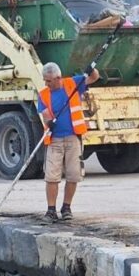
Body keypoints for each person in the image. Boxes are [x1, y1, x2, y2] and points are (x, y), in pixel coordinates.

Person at [37, 62, 100, 222]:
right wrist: (49, 122)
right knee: (51, 176)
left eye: (48, 81)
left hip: (73, 138)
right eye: (45, 80)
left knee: (73, 175)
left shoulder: (73, 83)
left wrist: (91, 69)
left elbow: (94, 77)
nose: (46, 84)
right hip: (54, 140)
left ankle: (66, 207)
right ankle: (51, 210)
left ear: (58, 78)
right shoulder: (43, 94)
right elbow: (45, 115)